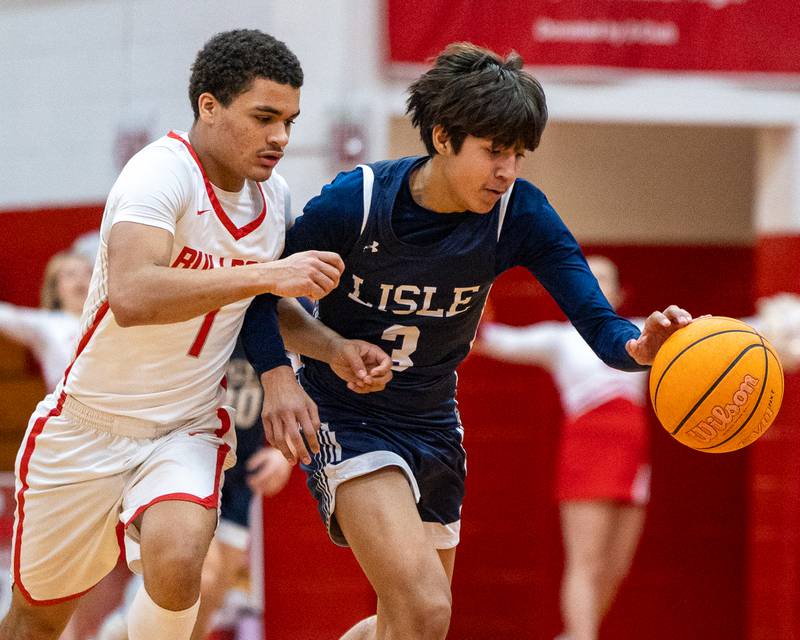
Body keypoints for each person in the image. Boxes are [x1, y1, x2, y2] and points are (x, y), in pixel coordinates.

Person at [242, 42, 693, 639]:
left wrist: (640, 348)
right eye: (494, 151)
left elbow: (598, 323)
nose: (507, 170)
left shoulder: (520, 214)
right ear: (442, 136)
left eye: (519, 154)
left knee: (410, 625)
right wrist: (288, 373)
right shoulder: (357, 201)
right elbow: (261, 295)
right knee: (427, 607)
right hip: (347, 416)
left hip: (432, 422)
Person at [1, 29, 392, 640]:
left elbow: (257, 305)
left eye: (289, 120)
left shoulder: (274, 196)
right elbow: (132, 295)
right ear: (209, 106)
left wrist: (333, 349)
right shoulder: (159, 173)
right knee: (37, 621)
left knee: (183, 562)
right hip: (89, 423)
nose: (281, 138)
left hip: (184, 424)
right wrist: (268, 272)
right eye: (264, 118)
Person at [475, 256, 649, 640]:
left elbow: (708, 341)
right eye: (589, 279)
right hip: (586, 454)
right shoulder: (560, 339)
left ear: (621, 293)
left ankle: (576, 634)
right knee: (585, 561)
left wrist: (776, 326)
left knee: (616, 565)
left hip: (633, 458)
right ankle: (582, 636)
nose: (598, 285)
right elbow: (491, 340)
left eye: (606, 278)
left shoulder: (643, 334)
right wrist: (467, 307)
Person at [0, 250, 93, 390]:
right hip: (66, 406)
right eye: (70, 274)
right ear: (55, 287)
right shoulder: (47, 323)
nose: (80, 280)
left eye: (88, 273)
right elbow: (7, 317)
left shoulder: (111, 320)